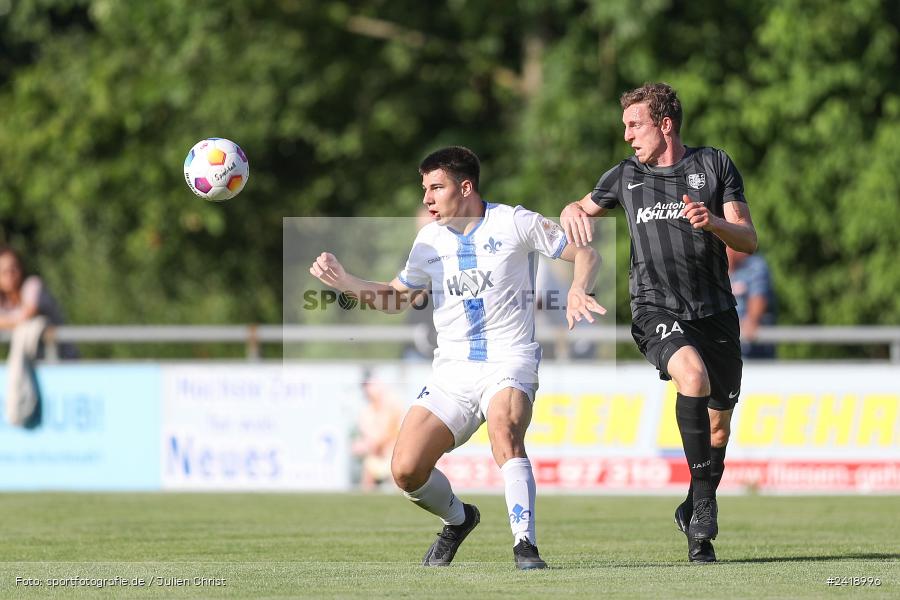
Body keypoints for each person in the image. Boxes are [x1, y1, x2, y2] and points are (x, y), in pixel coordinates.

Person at [310, 146, 604, 569]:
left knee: (505, 429)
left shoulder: (514, 221)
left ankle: (526, 546)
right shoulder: (429, 239)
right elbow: (396, 299)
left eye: (436, 187)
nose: (427, 198)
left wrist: (579, 288)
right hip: (452, 371)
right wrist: (346, 281)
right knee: (406, 471)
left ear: (465, 187)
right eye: (424, 188)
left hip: (509, 358)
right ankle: (459, 519)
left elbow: (586, 254)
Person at [560, 83, 758, 563]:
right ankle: (704, 515)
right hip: (655, 309)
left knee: (718, 432)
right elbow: (578, 208)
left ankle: (693, 505)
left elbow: (748, 239)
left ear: (664, 124)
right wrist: (570, 210)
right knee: (690, 376)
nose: (627, 135)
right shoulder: (624, 176)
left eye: (634, 124)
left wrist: (712, 222)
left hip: (715, 312)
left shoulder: (714, 165)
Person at [0, 246, 70, 426]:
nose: (10, 274)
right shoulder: (4, 301)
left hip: (64, 364)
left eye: (14, 268)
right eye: (4, 271)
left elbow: (27, 315)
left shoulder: (32, 285)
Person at [351, 370, 403, 490]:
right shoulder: (367, 412)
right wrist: (365, 444)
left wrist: (367, 444)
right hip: (377, 458)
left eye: (370, 386)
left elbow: (389, 432)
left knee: (399, 482)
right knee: (367, 477)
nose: (368, 390)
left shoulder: (393, 404)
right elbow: (370, 437)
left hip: (394, 457)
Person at [727, 247, 776, 358]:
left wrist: (752, 320)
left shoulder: (755, 265)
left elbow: (758, 297)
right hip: (728, 348)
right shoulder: (715, 269)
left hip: (754, 351)